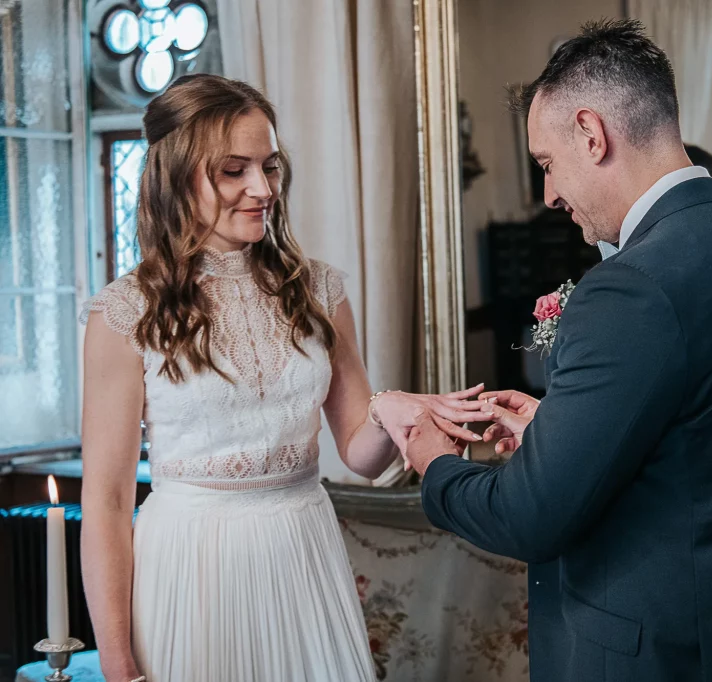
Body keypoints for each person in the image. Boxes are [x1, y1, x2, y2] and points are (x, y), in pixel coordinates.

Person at [404, 20, 712, 681]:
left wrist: (433, 464)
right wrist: (561, 429)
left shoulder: (630, 288)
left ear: (591, 133)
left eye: (546, 165)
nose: (549, 196)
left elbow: (529, 518)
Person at [78, 74, 489, 682]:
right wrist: (118, 665)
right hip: (191, 570)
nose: (262, 188)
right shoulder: (125, 313)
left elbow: (362, 454)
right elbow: (108, 504)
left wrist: (396, 411)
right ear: (174, 175)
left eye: (269, 166)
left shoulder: (319, 290)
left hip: (303, 553)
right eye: (233, 170)